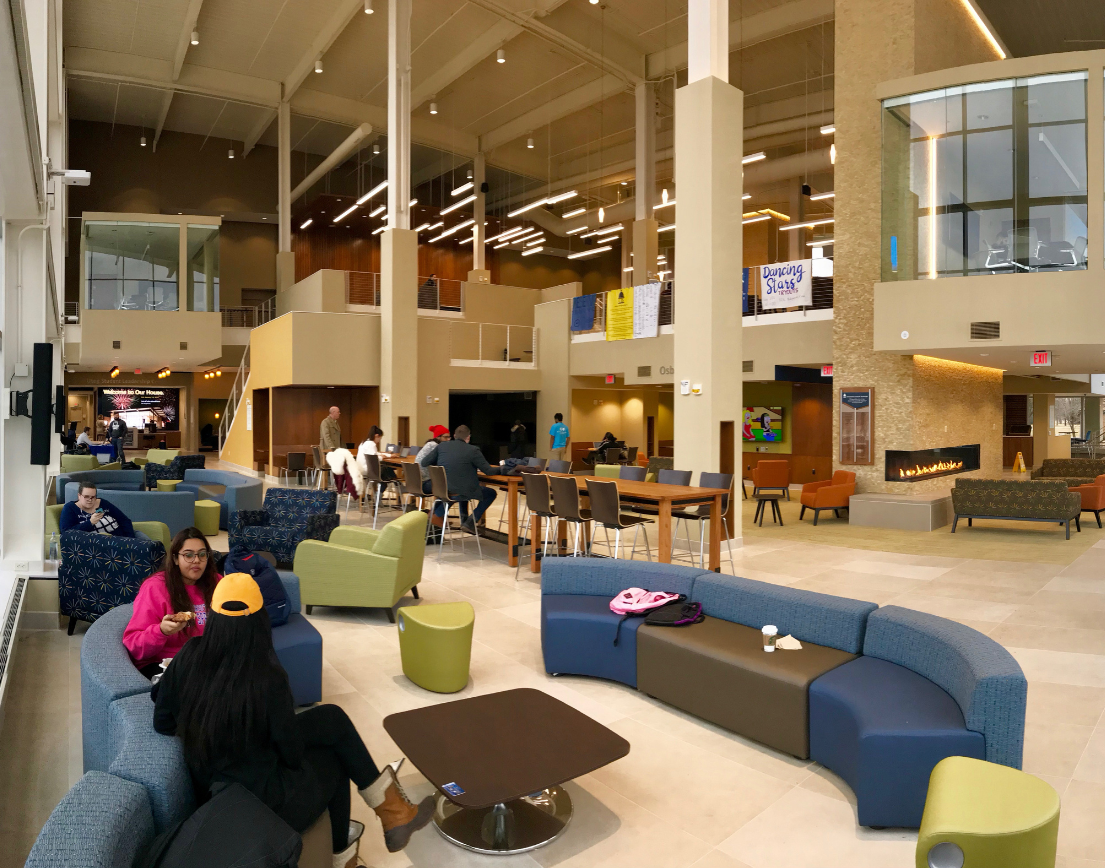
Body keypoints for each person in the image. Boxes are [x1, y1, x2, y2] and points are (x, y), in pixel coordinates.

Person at [152, 573, 434, 864]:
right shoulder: (266, 675)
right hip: (264, 809)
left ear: (213, 617)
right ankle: (357, 847)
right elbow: (292, 755)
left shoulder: (188, 655)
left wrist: (210, 721)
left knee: (332, 717)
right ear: (259, 621)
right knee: (336, 759)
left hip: (218, 798)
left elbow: (162, 722)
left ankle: (395, 815)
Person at [123, 527, 220, 678]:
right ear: (175, 559)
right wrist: (161, 631)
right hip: (164, 664)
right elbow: (134, 646)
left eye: (202, 554)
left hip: (206, 661)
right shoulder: (155, 587)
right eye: (188, 555)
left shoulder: (217, 582)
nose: (196, 560)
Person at [419, 424, 496, 532]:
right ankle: (470, 522)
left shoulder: (442, 446)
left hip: (442, 488)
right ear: (468, 437)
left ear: (454, 436)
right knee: (491, 493)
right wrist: (503, 469)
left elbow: (424, 462)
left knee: (456, 489)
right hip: (460, 490)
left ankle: (438, 515)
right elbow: (488, 471)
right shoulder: (473, 450)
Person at [60, 482, 136, 538]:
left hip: (123, 537)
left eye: (93, 497)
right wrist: (90, 522)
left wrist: (131, 540)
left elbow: (124, 520)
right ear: (79, 496)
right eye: (86, 497)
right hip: (102, 543)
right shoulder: (70, 508)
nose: (90, 500)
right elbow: (66, 532)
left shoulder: (102, 503)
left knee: (143, 541)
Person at [416, 425, 450, 492]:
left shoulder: (430, 444)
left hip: (416, 483)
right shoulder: (435, 446)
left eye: (449, 437)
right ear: (438, 437)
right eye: (445, 437)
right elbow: (442, 463)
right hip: (425, 483)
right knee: (453, 485)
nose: (448, 439)